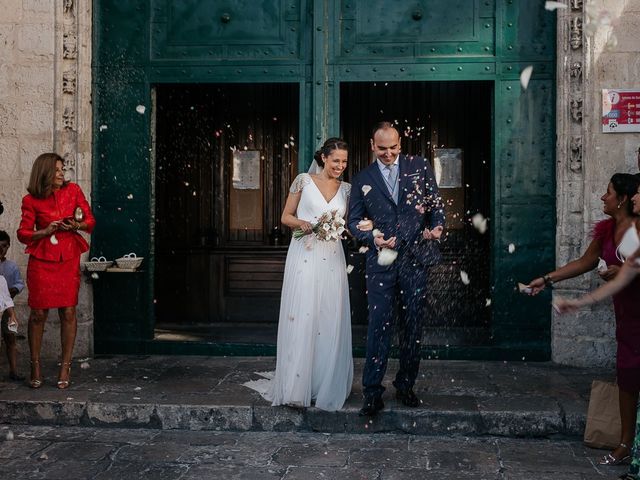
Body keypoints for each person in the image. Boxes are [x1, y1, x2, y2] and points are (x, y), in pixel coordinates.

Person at [526, 173, 640, 465]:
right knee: (627, 376)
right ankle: (626, 443)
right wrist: (546, 279)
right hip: (626, 315)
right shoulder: (607, 230)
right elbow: (584, 262)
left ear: (623, 199)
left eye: (608, 192)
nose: (603, 197)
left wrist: (624, 272)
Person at [244, 138, 353, 411]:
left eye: (344, 161)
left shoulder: (347, 189)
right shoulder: (303, 180)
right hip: (305, 252)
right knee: (304, 313)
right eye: (336, 160)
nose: (340, 166)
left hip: (332, 257)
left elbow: (346, 225)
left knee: (330, 315)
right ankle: (297, 384)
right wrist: (306, 223)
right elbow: (285, 216)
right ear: (324, 158)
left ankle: (324, 383)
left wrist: (342, 228)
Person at [348, 122, 445, 416]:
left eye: (393, 148)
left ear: (400, 144)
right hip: (380, 262)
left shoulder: (420, 165)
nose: (388, 154)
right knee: (379, 326)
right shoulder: (362, 178)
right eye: (382, 149)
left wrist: (437, 225)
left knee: (412, 325)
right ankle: (372, 391)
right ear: (372, 145)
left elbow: (435, 203)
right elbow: (353, 222)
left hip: (416, 258)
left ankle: (405, 385)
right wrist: (372, 237)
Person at [17, 153, 95, 389]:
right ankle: (35, 364)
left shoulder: (74, 192)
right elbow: (23, 233)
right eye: (58, 170)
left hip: (68, 257)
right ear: (45, 173)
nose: (62, 174)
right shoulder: (31, 200)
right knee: (38, 314)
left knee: (68, 312)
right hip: (42, 260)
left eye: (63, 169)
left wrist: (76, 225)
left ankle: (65, 366)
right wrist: (45, 231)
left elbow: (90, 221)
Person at [0, 230, 26, 381]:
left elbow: (19, 283)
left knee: (10, 338)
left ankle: (13, 370)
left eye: (3, 246)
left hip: (6, 308)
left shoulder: (11, 266)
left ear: (8, 247)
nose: (1, 250)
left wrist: (13, 290)